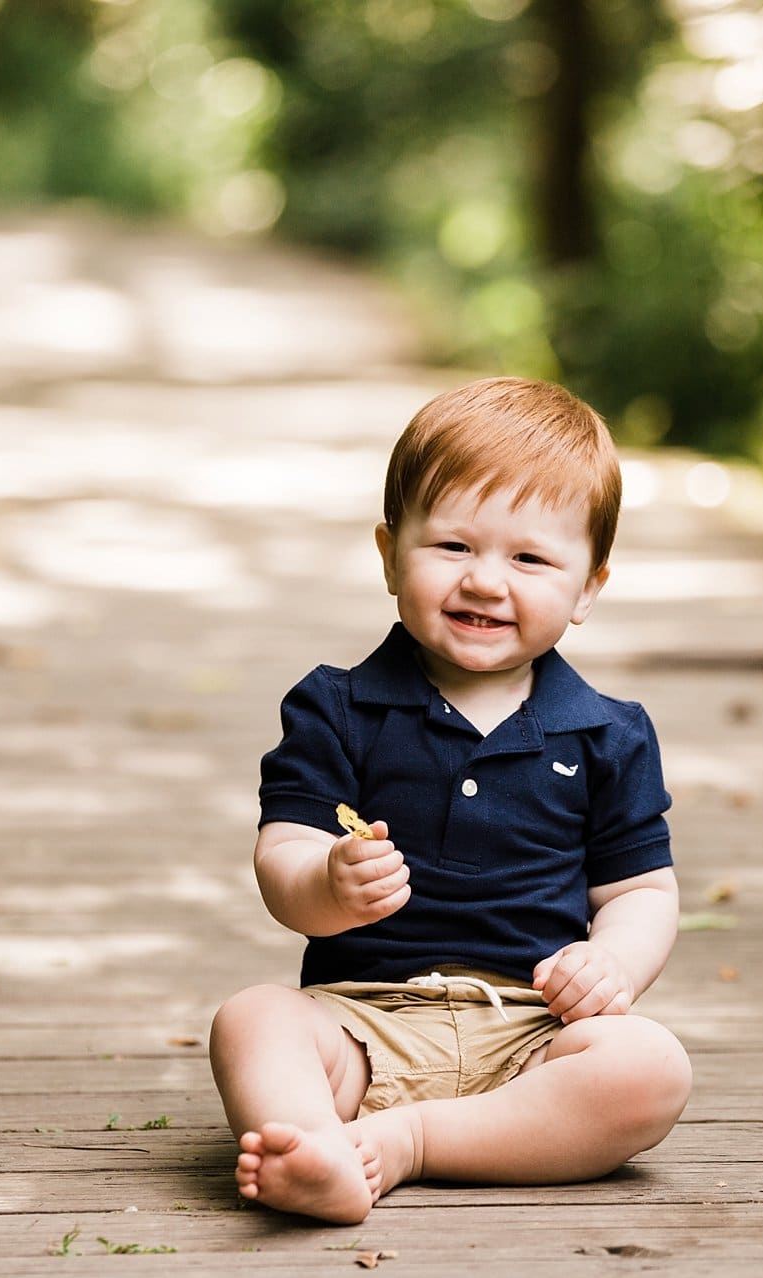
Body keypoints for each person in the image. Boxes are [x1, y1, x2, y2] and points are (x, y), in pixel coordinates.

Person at [209, 376, 693, 1224]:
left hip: (532, 1030)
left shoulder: (607, 734)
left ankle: (413, 1140)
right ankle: (317, 1144)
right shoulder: (337, 706)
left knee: (650, 1067)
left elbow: (641, 892)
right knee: (251, 1021)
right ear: (390, 553)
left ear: (588, 588)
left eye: (530, 559)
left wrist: (612, 963)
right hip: (362, 1021)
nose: (486, 581)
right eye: (453, 546)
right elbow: (281, 855)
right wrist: (327, 883)